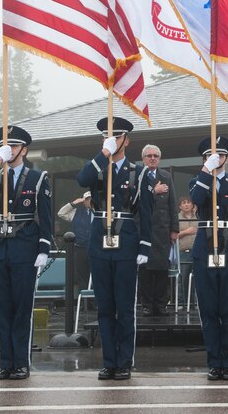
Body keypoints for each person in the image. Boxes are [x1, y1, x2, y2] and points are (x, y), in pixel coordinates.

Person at [0, 126, 53, 381]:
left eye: (13, 147)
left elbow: (46, 217)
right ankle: (6, 362)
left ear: (24, 149)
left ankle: (21, 362)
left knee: (21, 309)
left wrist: (43, 248)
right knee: (2, 309)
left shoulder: (37, 178)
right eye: (4, 147)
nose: (9, 151)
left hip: (23, 247)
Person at [77, 117, 152, 381]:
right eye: (106, 136)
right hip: (99, 241)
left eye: (116, 136)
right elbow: (81, 179)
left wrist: (145, 245)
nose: (110, 140)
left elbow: (147, 212)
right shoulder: (97, 166)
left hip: (127, 242)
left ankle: (124, 362)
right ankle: (109, 361)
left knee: (124, 306)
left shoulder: (138, 172)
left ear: (126, 140)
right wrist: (103, 153)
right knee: (104, 307)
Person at [189, 136, 228, 381]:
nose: (216, 159)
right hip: (204, 248)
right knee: (208, 309)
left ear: (226, 158)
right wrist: (207, 170)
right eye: (209, 156)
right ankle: (214, 362)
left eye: (219, 156)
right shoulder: (198, 181)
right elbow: (196, 200)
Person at [140, 144, 177, 316]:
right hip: (145, 231)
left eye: (156, 155)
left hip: (163, 230)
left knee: (162, 269)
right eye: (149, 156)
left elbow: (172, 204)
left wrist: (174, 229)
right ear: (143, 159)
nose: (153, 158)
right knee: (146, 270)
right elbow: (135, 201)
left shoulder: (166, 176)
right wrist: (154, 191)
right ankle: (146, 304)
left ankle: (161, 304)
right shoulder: (138, 176)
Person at [56, 191, 94, 294]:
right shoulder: (76, 212)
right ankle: (84, 303)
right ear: (83, 201)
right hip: (80, 248)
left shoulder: (100, 212)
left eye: (91, 199)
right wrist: (74, 203)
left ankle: (96, 302)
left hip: (95, 248)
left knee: (96, 275)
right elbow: (61, 213)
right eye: (87, 199)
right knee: (82, 276)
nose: (89, 201)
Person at [176, 196, 198, 307]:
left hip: (196, 252)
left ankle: (193, 304)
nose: (186, 205)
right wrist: (186, 232)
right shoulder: (176, 218)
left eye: (188, 202)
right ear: (180, 206)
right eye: (183, 203)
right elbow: (173, 235)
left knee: (196, 278)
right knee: (182, 278)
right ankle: (181, 303)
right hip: (183, 251)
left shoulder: (198, 217)